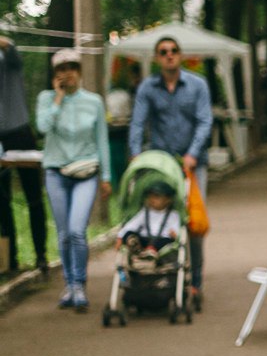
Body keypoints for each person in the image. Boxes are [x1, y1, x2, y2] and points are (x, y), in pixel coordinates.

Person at [128, 36, 213, 302]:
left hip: (192, 164)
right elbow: (138, 123)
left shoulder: (197, 85)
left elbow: (204, 121)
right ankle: (158, 274)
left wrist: (192, 154)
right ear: (157, 58)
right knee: (158, 219)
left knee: (193, 222)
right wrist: (135, 156)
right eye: (163, 52)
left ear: (180, 55)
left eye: (174, 51)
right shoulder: (148, 88)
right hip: (161, 164)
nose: (169, 55)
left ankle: (195, 281)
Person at [36, 49, 111, 310]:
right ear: (55, 74)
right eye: (61, 68)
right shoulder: (46, 99)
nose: (67, 73)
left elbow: (102, 139)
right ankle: (69, 284)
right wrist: (58, 99)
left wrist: (107, 177)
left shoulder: (94, 101)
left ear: (79, 71)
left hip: (86, 172)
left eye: (71, 67)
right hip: (56, 171)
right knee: (64, 232)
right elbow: (43, 127)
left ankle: (79, 283)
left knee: (78, 230)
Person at [0, 35, 50, 275]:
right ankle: (10, 260)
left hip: (20, 132)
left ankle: (41, 255)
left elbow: (12, 49)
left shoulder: (9, 56)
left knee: (34, 198)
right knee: (2, 202)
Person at [116, 180, 181, 255]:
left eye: (156, 196)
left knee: (168, 242)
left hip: (162, 240)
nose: (152, 199)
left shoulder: (173, 215)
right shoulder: (144, 212)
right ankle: (134, 244)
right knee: (129, 233)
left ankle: (151, 251)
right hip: (144, 239)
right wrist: (120, 236)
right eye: (150, 196)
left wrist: (175, 234)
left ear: (168, 200)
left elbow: (176, 230)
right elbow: (132, 224)